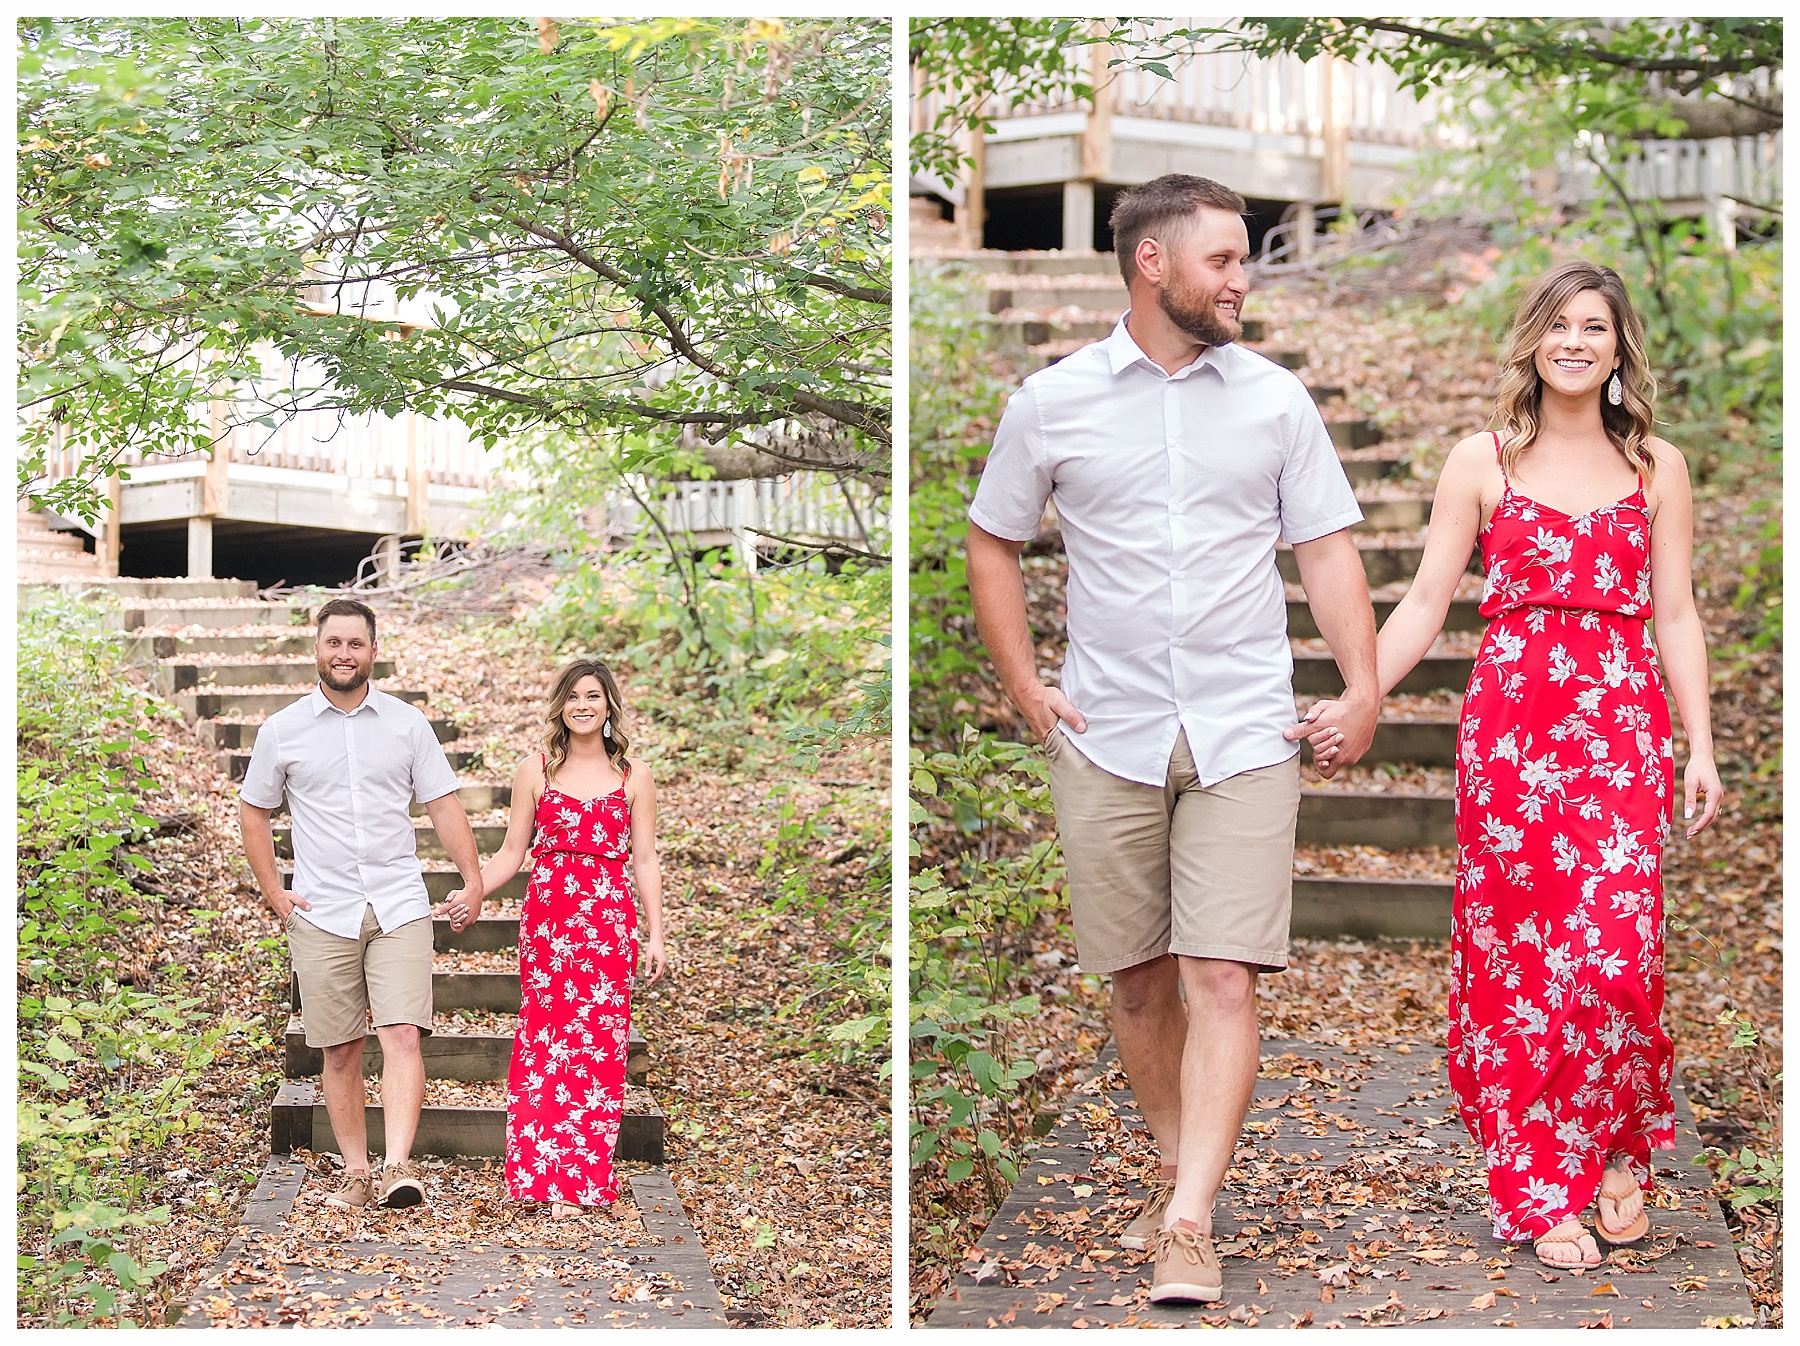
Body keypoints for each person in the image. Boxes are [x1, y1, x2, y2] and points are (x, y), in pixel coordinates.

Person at [966, 174, 1379, 1304]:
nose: (1244, 280)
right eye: (1225, 261)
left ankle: (1190, 1214)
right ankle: (1173, 1157)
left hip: (1246, 723)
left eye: (1243, 261)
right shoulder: (1051, 402)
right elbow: (992, 540)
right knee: (1142, 982)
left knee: (1223, 974)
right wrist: (1025, 687)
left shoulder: (1277, 401)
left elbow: (1330, 550)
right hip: (1109, 729)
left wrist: (1365, 683)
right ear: (1153, 264)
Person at [1298, 261, 1723, 1269]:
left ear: (1620, 349)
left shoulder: (1659, 467)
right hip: (1516, 735)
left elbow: (1676, 612)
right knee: (1528, 964)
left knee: (1617, 957)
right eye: (1558, 325)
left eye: (1595, 327)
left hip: (1620, 725)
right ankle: (1544, 1181)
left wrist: (1699, 742)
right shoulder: (1480, 461)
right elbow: (1426, 600)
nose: (1575, 342)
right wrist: (1366, 693)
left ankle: (1613, 1144)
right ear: (1534, 339)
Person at [240, 597, 484, 1210]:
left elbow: (443, 804)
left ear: (373, 650)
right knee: (341, 1047)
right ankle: (354, 1174)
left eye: (355, 644)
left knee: (403, 1033)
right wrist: (276, 894)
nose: (343, 654)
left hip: (398, 902)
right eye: (333, 643)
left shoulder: (406, 724)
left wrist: (473, 878)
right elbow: (254, 810)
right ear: (316, 648)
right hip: (322, 909)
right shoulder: (284, 730)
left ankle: (398, 1167)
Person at [476, 658, 668, 1217]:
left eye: (594, 696)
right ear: (560, 705)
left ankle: (583, 1181)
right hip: (550, 918)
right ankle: (537, 1176)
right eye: (573, 696)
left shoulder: (635, 776)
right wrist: (473, 893)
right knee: (546, 1039)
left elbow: (646, 858)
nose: (583, 706)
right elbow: (513, 852)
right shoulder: (534, 770)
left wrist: (656, 934)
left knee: (598, 1047)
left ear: (609, 706)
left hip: (608, 923)